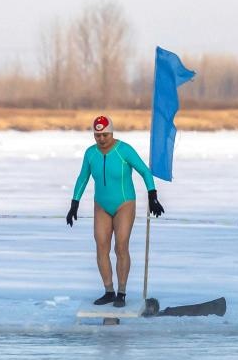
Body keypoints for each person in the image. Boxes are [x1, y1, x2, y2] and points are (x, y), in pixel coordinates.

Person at [66, 115, 164, 308]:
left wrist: (152, 195)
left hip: (124, 204)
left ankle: (122, 292)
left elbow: (144, 171)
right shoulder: (90, 154)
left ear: (112, 132)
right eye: (97, 135)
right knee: (101, 246)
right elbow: (82, 178)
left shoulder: (124, 150)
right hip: (101, 205)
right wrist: (74, 203)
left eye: (105, 135)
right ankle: (109, 291)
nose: (101, 139)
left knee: (120, 246)